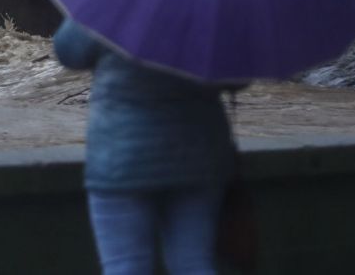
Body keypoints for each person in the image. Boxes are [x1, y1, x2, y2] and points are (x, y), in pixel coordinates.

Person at [54, 19, 236, 275]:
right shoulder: (212, 10)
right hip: (197, 156)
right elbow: (237, 77)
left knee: (124, 266)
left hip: (121, 158)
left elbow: (68, 51)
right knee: (193, 262)